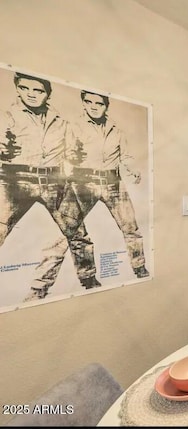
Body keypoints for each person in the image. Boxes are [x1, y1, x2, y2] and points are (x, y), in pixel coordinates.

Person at [31, 90, 150, 288]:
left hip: (113, 183)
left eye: (99, 103)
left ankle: (140, 268)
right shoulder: (72, 127)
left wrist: (132, 168)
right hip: (82, 182)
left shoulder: (116, 130)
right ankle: (78, 279)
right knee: (69, 232)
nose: (94, 106)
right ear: (84, 103)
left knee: (131, 228)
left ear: (106, 106)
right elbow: (60, 153)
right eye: (89, 102)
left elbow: (126, 156)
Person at [0, 72, 100, 301]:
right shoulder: (6, 117)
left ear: (48, 94)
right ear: (17, 89)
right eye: (26, 88)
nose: (32, 94)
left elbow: (74, 155)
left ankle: (87, 280)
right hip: (15, 180)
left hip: (54, 181)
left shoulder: (61, 122)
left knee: (77, 234)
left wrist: (76, 157)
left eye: (39, 90)